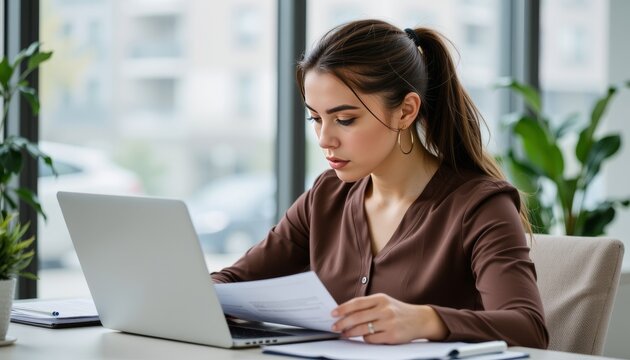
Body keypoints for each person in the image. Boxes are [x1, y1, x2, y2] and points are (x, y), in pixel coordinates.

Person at [211, 19, 549, 348]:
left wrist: (423, 320)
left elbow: (527, 326)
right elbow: (230, 283)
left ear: (405, 111)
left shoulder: (480, 206)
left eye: (345, 119)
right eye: (315, 118)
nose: (324, 139)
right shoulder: (326, 196)